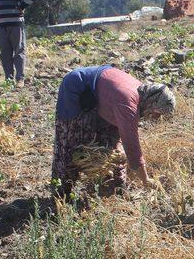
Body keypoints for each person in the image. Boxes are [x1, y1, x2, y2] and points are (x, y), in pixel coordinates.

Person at [51, 65, 176, 199]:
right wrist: (145, 180)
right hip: (76, 88)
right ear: (152, 103)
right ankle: (61, 193)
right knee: (74, 143)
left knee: (112, 148)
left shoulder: (143, 93)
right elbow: (131, 146)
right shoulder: (128, 104)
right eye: (156, 113)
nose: (155, 118)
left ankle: (112, 190)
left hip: (98, 95)